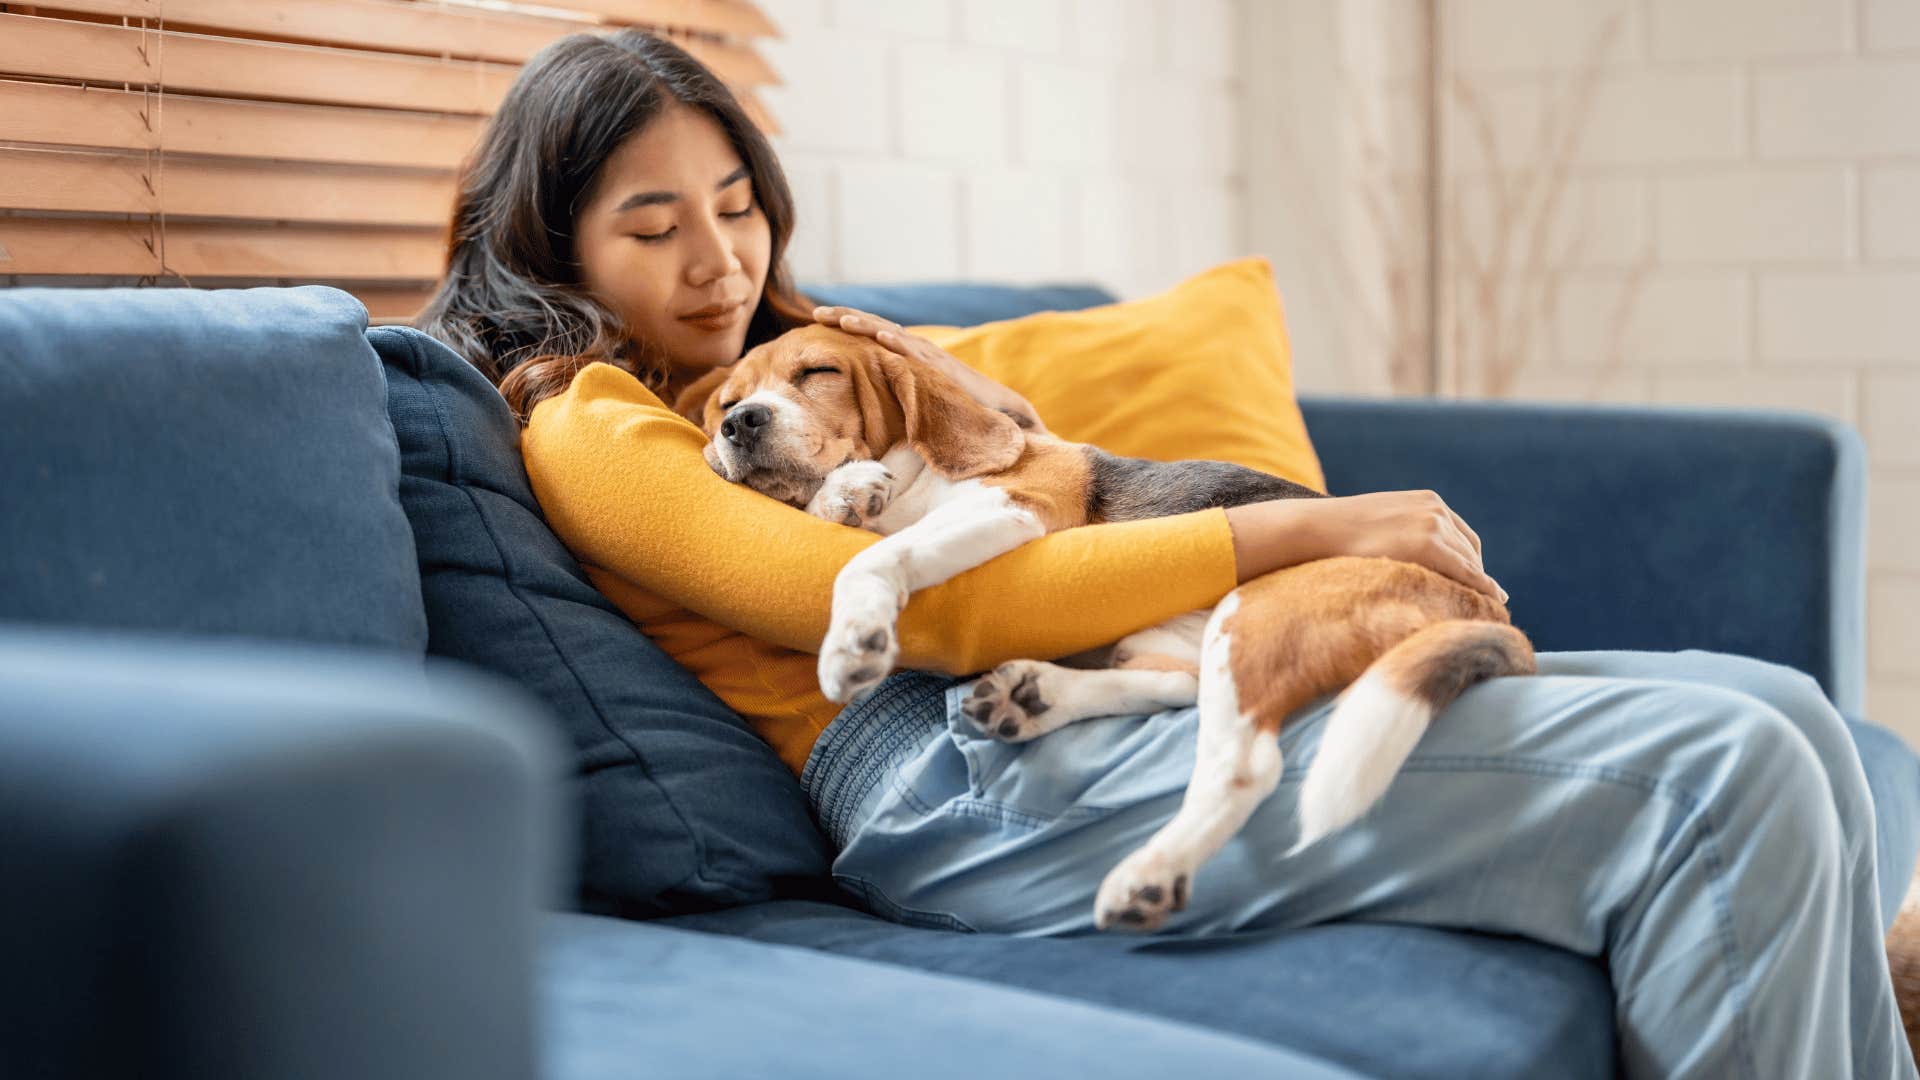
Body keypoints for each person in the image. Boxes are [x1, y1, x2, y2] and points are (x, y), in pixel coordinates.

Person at [417, 30, 1914, 1078]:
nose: (718, 261)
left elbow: (1014, 479)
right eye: (654, 226)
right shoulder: (592, 425)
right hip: (950, 772)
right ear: (554, 250)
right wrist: (1311, 522)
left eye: (738, 209)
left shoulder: (804, 368)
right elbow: (923, 615)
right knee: (1729, 779)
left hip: (1082, 692)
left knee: (1776, 710)